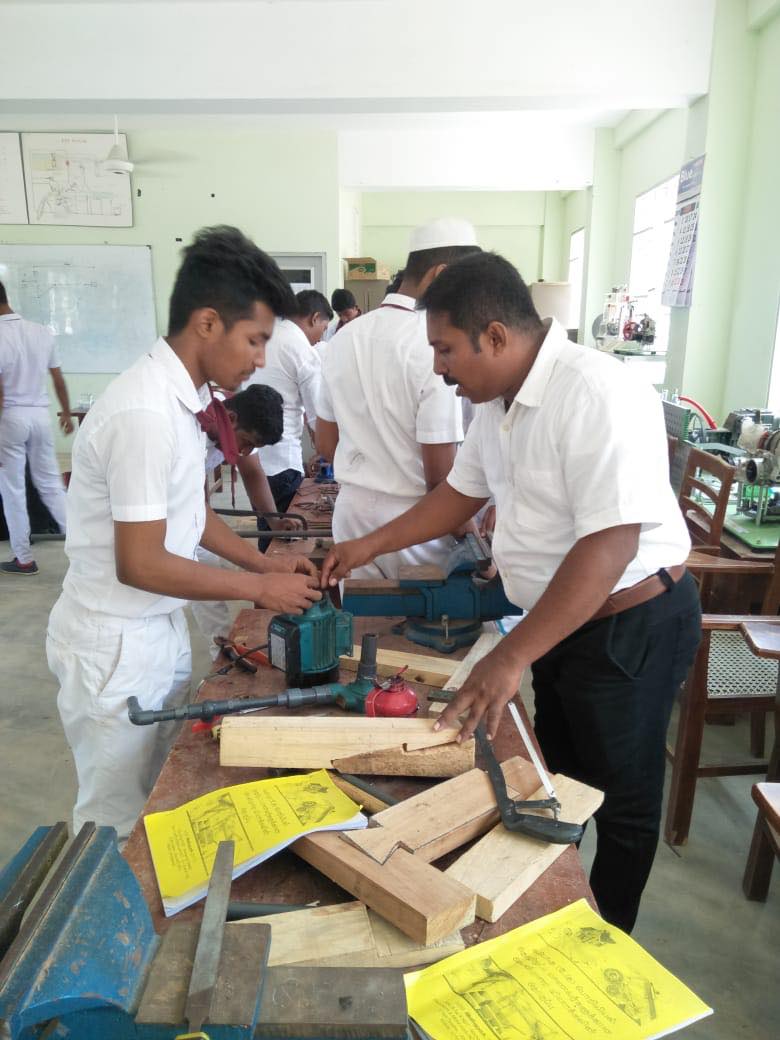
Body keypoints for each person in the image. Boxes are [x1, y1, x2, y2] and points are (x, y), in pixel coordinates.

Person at [320, 251, 700, 933]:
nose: (439, 368)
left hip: (629, 623)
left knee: (623, 800)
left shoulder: (598, 394)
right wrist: (366, 546)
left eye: (445, 349)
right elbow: (458, 496)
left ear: (495, 336)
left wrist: (511, 654)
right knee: (560, 779)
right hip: (561, 622)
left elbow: (608, 547)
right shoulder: (496, 404)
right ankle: (559, 905)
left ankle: (606, 939)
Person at [46, 226, 322, 843]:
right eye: (254, 340)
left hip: (154, 627)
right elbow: (141, 562)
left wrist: (263, 565)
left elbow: (190, 516)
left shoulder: (183, 400)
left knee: (158, 793)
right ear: (207, 323)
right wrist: (258, 590)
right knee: (115, 815)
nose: (259, 360)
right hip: (115, 641)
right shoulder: (144, 412)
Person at [315, 217, 481, 579]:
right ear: (440, 275)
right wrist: (475, 542)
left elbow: (325, 442)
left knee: (361, 615)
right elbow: (440, 479)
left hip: (351, 515)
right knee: (423, 615)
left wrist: (369, 465)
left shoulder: (344, 337)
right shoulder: (437, 343)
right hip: (417, 525)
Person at [192, 382, 285, 654]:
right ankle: (224, 652)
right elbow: (196, 510)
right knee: (199, 583)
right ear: (231, 419)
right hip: (152, 521)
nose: (244, 452)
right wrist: (259, 577)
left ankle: (224, 651)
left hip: (189, 510)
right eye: (246, 443)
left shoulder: (237, 420)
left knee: (210, 585)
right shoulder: (194, 425)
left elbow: (253, 473)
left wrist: (274, 521)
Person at [0, 281, 73, 574]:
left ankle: (24, 558)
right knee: (52, 485)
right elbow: (57, 378)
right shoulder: (41, 331)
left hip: (9, 418)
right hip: (41, 417)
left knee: (13, 490)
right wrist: (65, 412)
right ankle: (86, 550)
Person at [242, 289, 327, 513]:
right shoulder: (302, 350)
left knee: (267, 523)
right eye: (324, 328)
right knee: (285, 529)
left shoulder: (264, 336)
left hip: (250, 457)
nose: (321, 337)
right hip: (282, 461)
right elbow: (318, 417)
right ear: (315, 318)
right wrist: (325, 455)